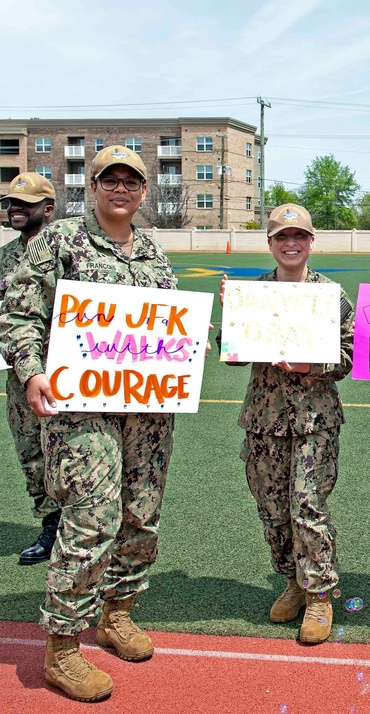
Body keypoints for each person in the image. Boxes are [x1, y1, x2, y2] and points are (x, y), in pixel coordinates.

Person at [0, 145, 179, 703]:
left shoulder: (152, 249)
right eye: (110, 180)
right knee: (90, 519)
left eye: (131, 181)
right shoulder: (60, 241)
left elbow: (168, 323)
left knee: (141, 512)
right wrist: (31, 371)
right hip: (82, 408)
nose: (120, 189)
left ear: (143, 192)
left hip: (147, 410)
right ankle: (63, 646)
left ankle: (118, 613)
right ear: (92, 187)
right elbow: (21, 312)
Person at [217, 204, 354, 645]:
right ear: (270, 243)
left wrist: (313, 364)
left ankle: (319, 594)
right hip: (264, 420)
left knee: (307, 506)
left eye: (299, 236)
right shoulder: (254, 292)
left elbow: (350, 355)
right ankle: (293, 580)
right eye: (281, 237)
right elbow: (234, 351)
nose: (290, 243)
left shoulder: (331, 295)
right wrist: (231, 314)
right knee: (273, 511)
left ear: (312, 241)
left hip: (315, 421)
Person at [0, 173, 61, 565]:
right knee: (30, 450)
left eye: (25, 203)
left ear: (48, 210)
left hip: (65, 370)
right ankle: (51, 526)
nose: (15, 209)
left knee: (70, 454)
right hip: (20, 372)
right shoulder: (5, 256)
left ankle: (82, 529)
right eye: (11, 203)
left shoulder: (66, 251)